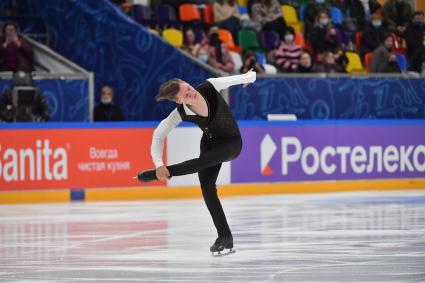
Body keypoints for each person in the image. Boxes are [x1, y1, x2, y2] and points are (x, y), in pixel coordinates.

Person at [136, 70, 257, 254]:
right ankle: (225, 236)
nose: (191, 93)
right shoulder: (180, 113)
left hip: (232, 142)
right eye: (185, 95)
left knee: (203, 162)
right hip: (209, 142)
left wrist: (249, 77)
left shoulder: (209, 86)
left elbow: (233, 79)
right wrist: (158, 162)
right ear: (179, 101)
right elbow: (158, 134)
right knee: (207, 187)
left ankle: (154, 175)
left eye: (189, 88)